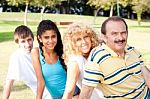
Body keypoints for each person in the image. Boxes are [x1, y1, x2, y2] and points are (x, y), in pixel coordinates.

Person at [79, 16, 150, 99]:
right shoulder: (97, 59)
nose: (120, 38)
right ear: (104, 37)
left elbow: (147, 76)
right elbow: (86, 93)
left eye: (123, 33)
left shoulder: (131, 50)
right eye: (114, 33)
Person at [32, 20, 80, 99]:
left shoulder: (63, 51)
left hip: (73, 94)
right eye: (46, 37)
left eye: (53, 36)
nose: (50, 41)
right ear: (40, 39)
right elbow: (41, 81)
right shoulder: (36, 52)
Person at [2, 25, 51, 99]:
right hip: (43, 95)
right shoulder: (16, 57)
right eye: (23, 41)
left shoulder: (40, 52)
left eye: (29, 40)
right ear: (17, 42)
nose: (27, 44)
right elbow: (9, 83)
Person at [62, 22, 104, 99]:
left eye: (85, 37)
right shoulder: (75, 61)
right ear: (72, 43)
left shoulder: (96, 54)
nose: (84, 42)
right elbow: (69, 91)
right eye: (78, 39)